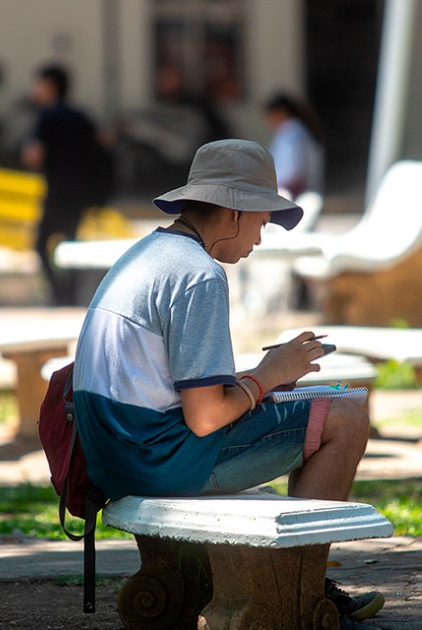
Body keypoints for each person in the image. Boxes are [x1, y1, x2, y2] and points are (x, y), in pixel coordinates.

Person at [72, 139, 383, 623]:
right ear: (235, 211)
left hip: (117, 454)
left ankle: (292, 578)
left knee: (306, 403)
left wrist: (259, 382)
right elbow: (206, 417)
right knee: (344, 416)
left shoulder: (150, 255)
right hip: (158, 459)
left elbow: (172, 390)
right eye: (261, 222)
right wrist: (270, 374)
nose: (260, 238)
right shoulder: (198, 274)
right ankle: (297, 588)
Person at [22, 64, 113, 306]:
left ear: (50, 86)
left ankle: (58, 293)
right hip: (81, 192)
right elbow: (103, 142)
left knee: (42, 243)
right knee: (70, 241)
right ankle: (70, 293)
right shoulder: (80, 116)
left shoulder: (47, 116)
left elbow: (35, 155)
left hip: (58, 190)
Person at [264, 92, 325, 199]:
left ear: (280, 112)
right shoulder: (297, 129)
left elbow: (292, 172)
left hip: (295, 196)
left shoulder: (291, 132)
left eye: (270, 116)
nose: (268, 121)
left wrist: (266, 186)